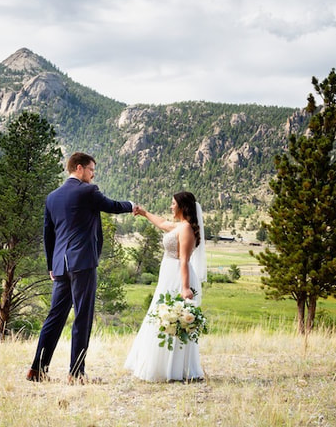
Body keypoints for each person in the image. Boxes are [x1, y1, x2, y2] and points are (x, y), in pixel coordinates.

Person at [27, 152, 136, 384]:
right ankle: (76, 373)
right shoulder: (88, 191)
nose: (93, 174)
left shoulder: (52, 197)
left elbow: (48, 235)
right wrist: (132, 206)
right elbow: (112, 206)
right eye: (91, 169)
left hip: (60, 266)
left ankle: (37, 369)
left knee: (54, 317)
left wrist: (51, 266)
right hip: (83, 263)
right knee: (82, 317)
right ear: (79, 168)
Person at [124, 190, 207, 382]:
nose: (171, 206)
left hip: (179, 277)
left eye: (173, 203)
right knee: (162, 318)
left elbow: (184, 261)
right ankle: (161, 365)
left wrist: (185, 288)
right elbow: (162, 223)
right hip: (169, 276)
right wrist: (144, 213)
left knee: (172, 320)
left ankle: (174, 369)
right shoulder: (180, 226)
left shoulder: (186, 229)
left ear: (182, 206)